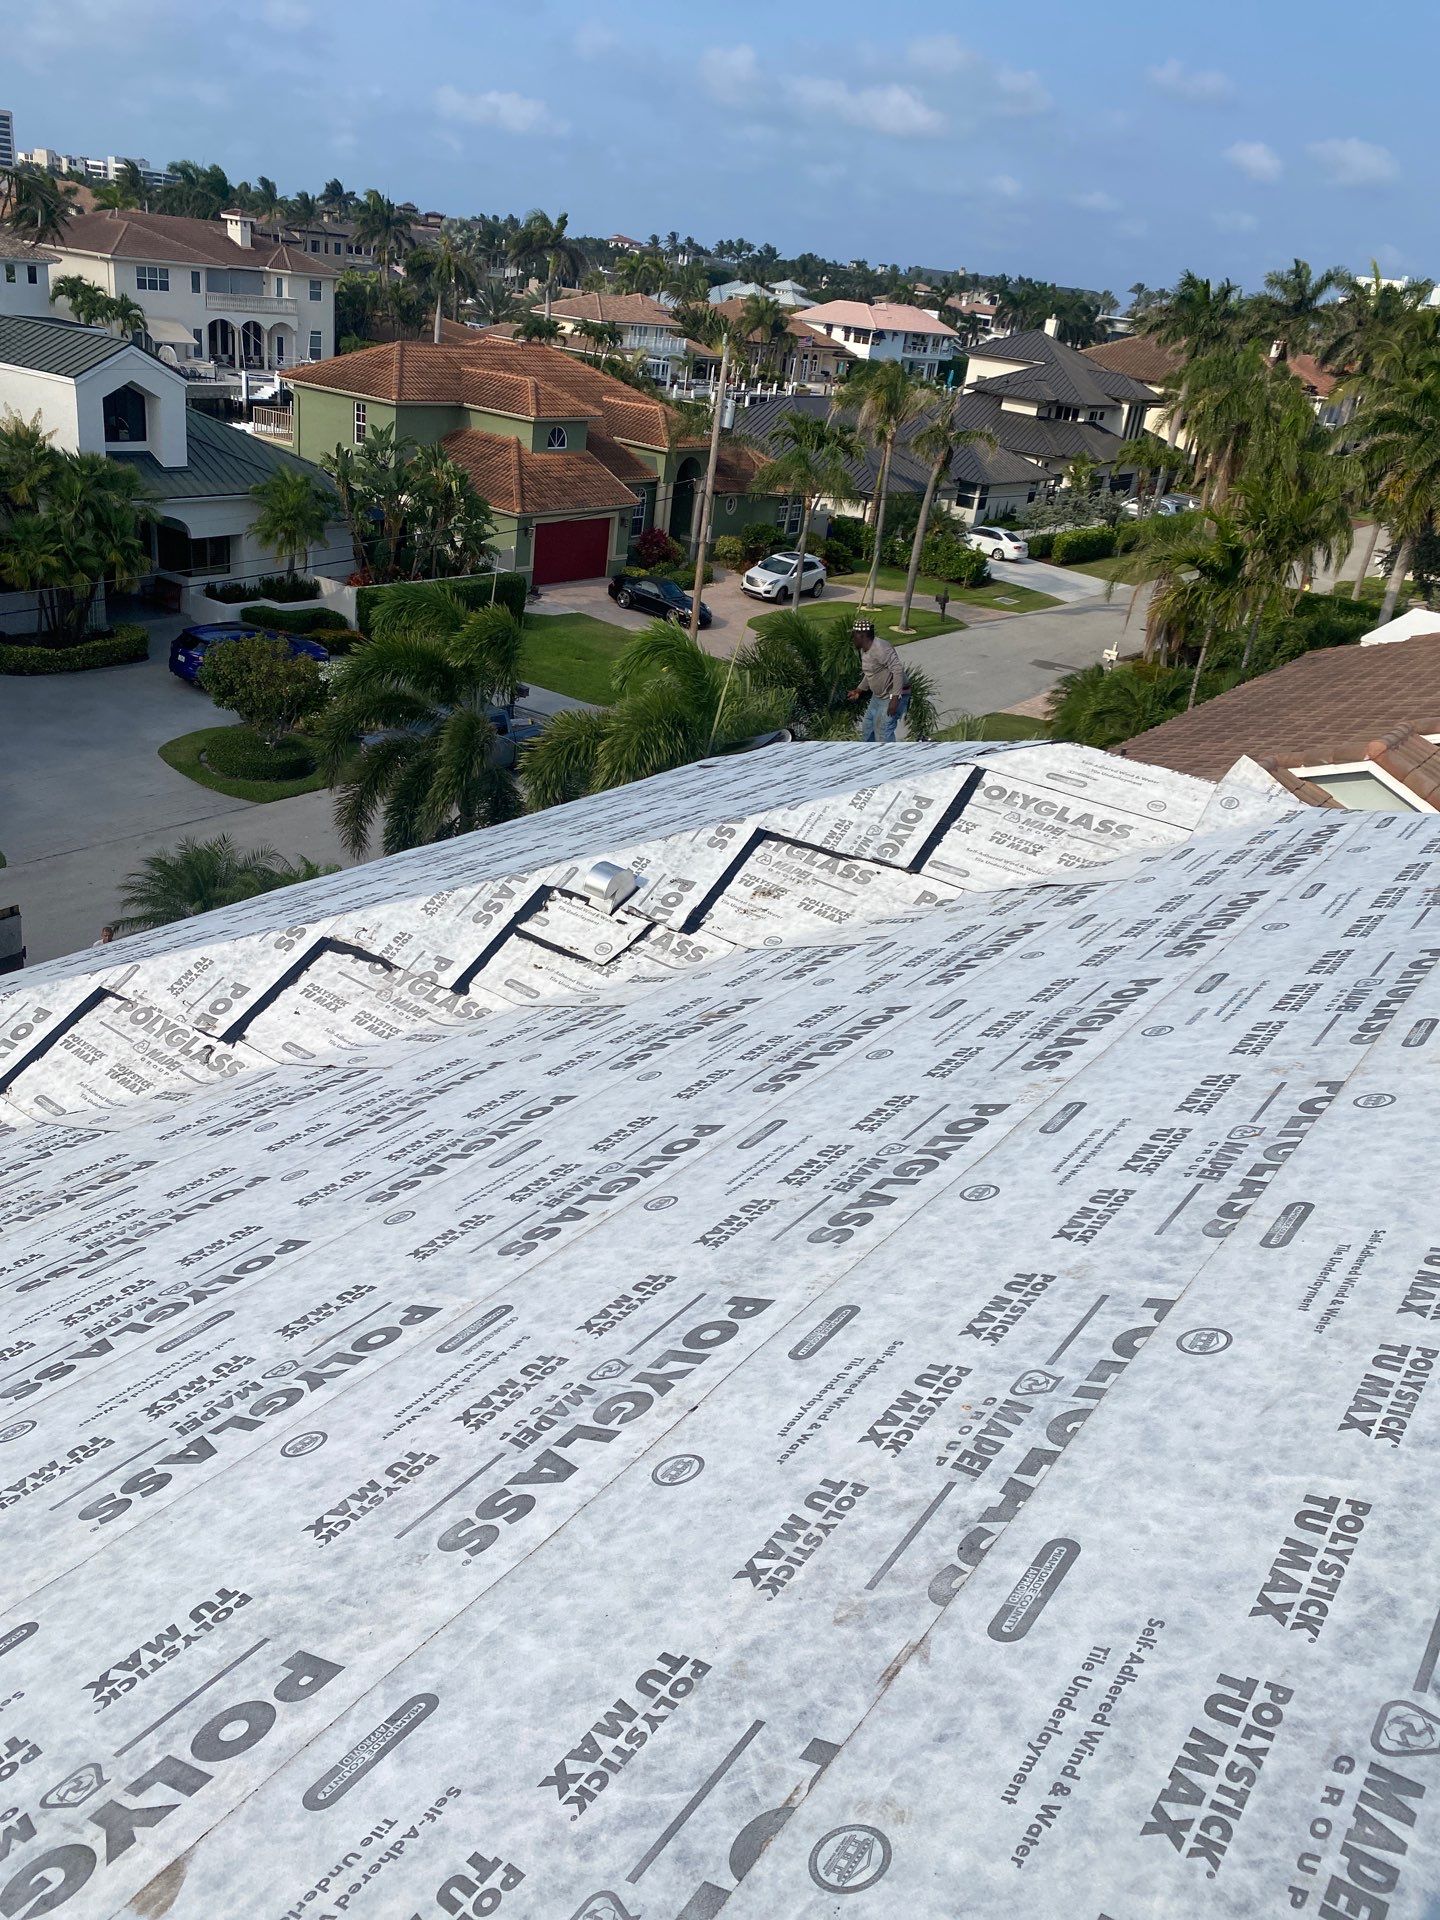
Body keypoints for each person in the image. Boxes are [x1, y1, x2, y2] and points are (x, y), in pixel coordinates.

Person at [846, 618, 911, 743]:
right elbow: (871, 673)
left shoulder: (881, 648)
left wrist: (895, 699)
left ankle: (887, 760)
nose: (852, 638)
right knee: (867, 729)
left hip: (892, 696)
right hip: (878, 697)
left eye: (853, 635)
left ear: (862, 635)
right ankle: (868, 759)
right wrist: (859, 690)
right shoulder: (864, 650)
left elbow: (897, 670)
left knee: (883, 733)